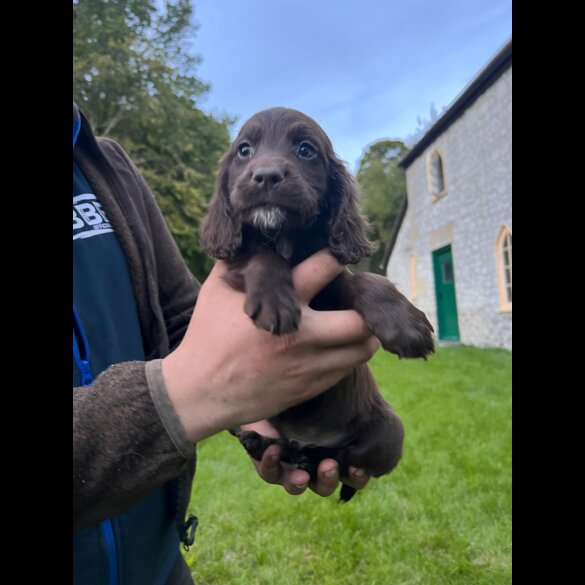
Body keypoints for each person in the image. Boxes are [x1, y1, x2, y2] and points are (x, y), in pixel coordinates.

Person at [73, 101, 377, 584]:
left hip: (159, 561)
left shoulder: (108, 167)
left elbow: (180, 318)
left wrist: (248, 410)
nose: (268, 167)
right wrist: (182, 396)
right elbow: (191, 373)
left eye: (301, 150)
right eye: (247, 151)